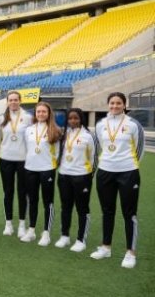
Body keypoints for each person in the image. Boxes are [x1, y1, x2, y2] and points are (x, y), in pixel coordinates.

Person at [91, 92, 144, 269]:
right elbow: (98, 148)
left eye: (118, 103)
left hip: (128, 172)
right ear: (108, 105)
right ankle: (106, 247)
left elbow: (139, 149)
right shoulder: (101, 124)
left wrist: (129, 165)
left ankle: (131, 252)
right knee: (107, 211)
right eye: (112, 103)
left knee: (130, 213)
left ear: (124, 105)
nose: (115, 106)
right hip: (105, 171)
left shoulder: (133, 124)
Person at [20, 101, 61, 246]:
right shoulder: (29, 130)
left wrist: (51, 165)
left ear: (49, 113)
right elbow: (27, 148)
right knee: (32, 200)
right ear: (35, 113)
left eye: (44, 111)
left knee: (47, 201)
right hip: (30, 168)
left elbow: (57, 152)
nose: (41, 114)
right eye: (38, 112)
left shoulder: (55, 130)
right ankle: (31, 230)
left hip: (47, 169)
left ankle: (46, 233)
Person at [55, 108, 96, 252]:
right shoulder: (64, 134)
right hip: (64, 175)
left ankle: (81, 239)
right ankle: (64, 236)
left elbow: (93, 158)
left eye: (76, 118)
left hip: (81, 177)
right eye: (70, 118)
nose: (73, 121)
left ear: (81, 119)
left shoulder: (88, 136)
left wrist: (88, 176)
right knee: (66, 207)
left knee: (82, 209)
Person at [0, 90, 33, 237]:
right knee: (8, 192)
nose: (13, 102)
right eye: (10, 100)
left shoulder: (28, 117)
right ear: (7, 102)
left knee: (22, 193)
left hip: (23, 160)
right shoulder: (1, 118)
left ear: (20, 101)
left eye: (15, 100)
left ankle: (22, 225)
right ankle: (9, 224)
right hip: (5, 158)